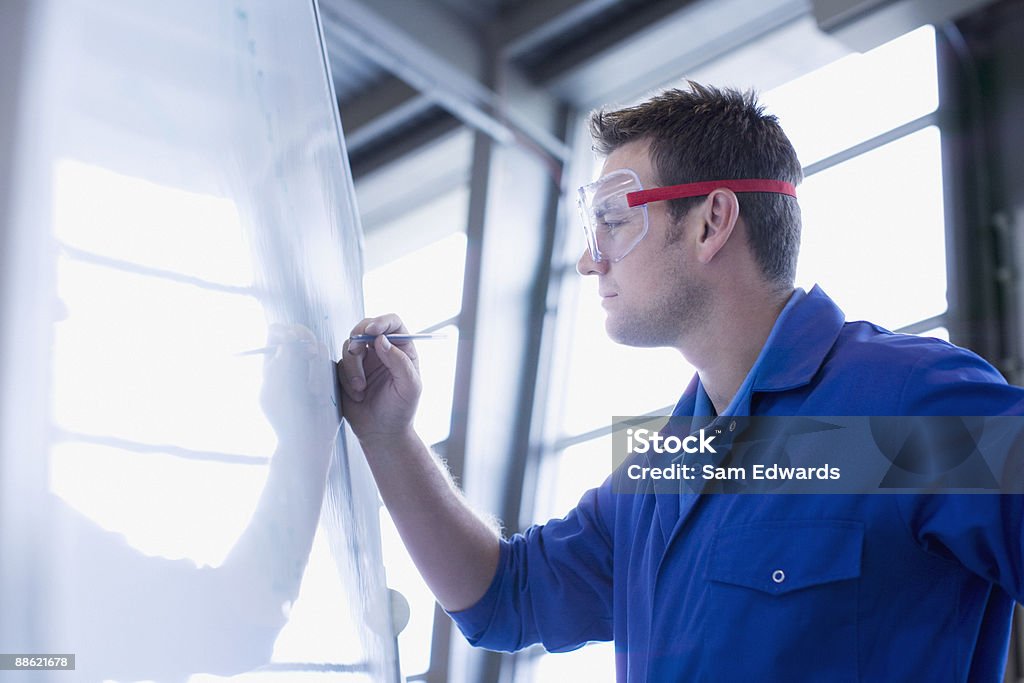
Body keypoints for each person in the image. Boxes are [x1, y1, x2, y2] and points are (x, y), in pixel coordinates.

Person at [338, 82, 1024, 681]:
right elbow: (503, 597)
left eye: (612, 219)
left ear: (711, 223)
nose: (588, 258)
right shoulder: (663, 472)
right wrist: (390, 436)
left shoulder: (905, 406)